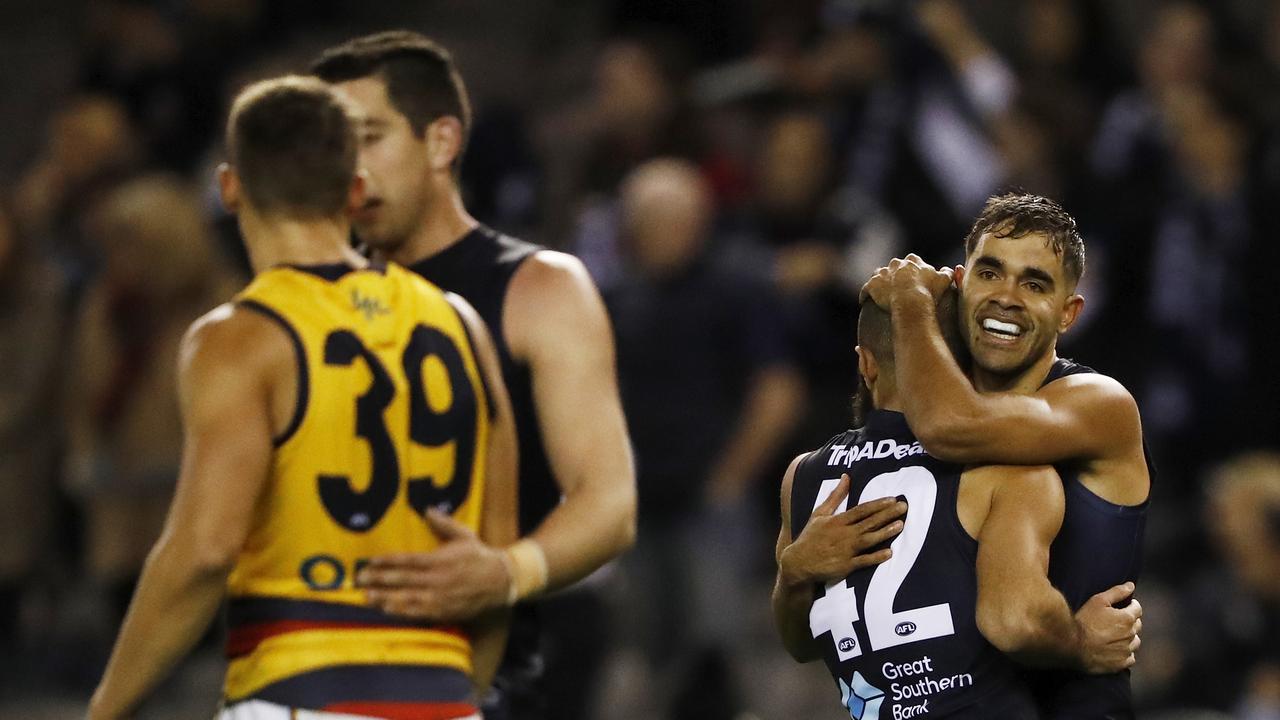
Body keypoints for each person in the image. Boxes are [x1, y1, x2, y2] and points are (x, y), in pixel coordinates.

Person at [88, 75, 517, 720]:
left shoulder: (240, 337)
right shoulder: (461, 323)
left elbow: (205, 550)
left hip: (300, 687)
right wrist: (459, 693)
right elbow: (497, 556)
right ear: (355, 190)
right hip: (444, 697)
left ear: (229, 187)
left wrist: (107, 708)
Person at [310, 31, 636, 719]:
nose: (350, 170)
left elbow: (608, 505)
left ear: (441, 142)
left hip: (516, 660)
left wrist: (504, 570)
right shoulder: (308, 305)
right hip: (349, 657)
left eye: (369, 138)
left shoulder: (538, 288)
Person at [773, 289, 1140, 719]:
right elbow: (1015, 622)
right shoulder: (1003, 466)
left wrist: (794, 573)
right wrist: (1081, 640)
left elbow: (801, 645)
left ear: (866, 362)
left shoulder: (803, 476)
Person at [863, 192, 1151, 718]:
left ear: (1069, 313)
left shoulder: (1099, 403)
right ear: (961, 281)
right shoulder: (930, 414)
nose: (1007, 297)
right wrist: (794, 574)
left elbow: (953, 427)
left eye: (1035, 284)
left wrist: (910, 301)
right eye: (990, 273)